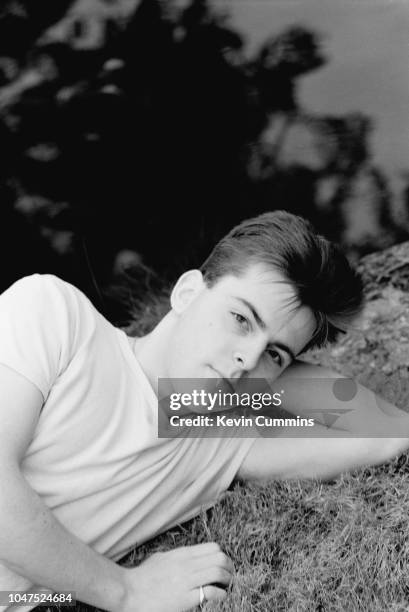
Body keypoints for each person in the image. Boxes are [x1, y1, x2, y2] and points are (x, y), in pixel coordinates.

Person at [0, 210, 408, 612]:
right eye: (240, 318)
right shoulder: (55, 315)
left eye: (275, 355)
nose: (248, 359)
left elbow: (389, 433)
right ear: (188, 292)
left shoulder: (218, 443)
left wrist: (270, 367)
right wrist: (125, 591)